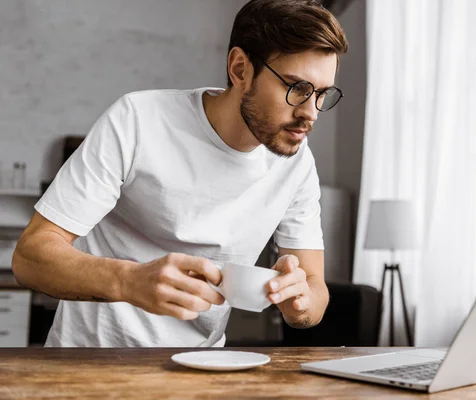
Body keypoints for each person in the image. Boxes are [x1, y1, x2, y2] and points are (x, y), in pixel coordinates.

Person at [11, 0, 349, 347]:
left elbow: (314, 288)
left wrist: (299, 302)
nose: (311, 113)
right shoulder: (138, 120)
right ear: (240, 69)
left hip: (200, 371)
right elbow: (30, 257)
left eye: (322, 94)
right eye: (297, 89)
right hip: (89, 364)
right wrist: (129, 281)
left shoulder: (297, 163)